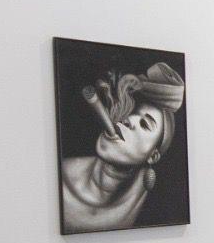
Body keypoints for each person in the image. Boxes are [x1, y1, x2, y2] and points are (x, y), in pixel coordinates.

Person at [60, 62, 186, 233]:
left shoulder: (153, 206)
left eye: (144, 124)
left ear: (153, 155)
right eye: (131, 111)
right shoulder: (62, 176)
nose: (127, 120)